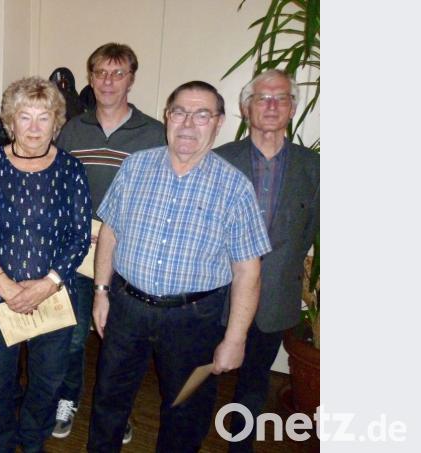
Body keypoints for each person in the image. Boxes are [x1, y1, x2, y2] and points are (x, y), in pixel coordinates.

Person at [86, 81, 272, 453]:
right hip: (128, 308)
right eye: (180, 112)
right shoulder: (136, 166)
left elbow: (248, 271)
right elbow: (110, 231)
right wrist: (101, 292)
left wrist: (235, 339)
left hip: (194, 320)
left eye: (202, 114)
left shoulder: (234, 187)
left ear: (218, 123)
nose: (188, 123)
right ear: (167, 118)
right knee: (109, 400)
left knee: (185, 412)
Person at [0, 76, 92, 453]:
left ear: (57, 122)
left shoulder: (71, 170)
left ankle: (32, 441)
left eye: (43, 117)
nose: (34, 127)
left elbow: (79, 237)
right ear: (9, 121)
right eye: (25, 117)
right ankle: (0, 444)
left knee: (48, 381)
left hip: (51, 297)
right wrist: (6, 287)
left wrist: (46, 284)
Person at [52, 42, 166, 444]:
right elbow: (56, 187)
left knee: (121, 344)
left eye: (118, 73)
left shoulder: (154, 133)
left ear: (132, 79)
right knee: (73, 334)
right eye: (101, 72)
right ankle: (68, 398)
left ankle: (118, 412)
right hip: (77, 254)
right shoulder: (72, 129)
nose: (108, 81)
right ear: (90, 77)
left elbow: (161, 195)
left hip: (128, 257)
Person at [214, 69, 320, 452]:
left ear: (292, 108)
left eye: (281, 98)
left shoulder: (315, 168)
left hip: (275, 298)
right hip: (217, 294)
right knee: (201, 377)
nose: (271, 105)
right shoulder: (218, 161)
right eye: (262, 98)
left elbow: (309, 232)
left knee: (255, 382)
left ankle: (239, 446)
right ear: (246, 108)